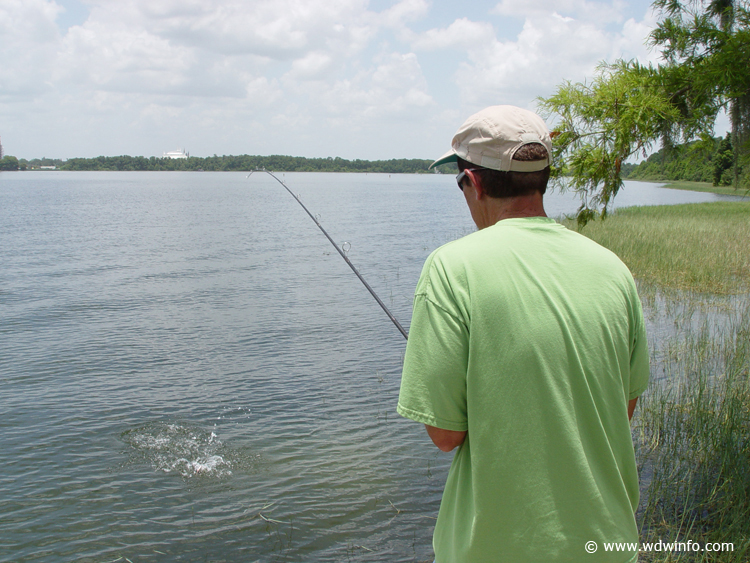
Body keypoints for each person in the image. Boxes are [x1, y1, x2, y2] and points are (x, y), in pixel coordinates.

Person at [397, 105, 649, 563]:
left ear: (473, 183)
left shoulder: (451, 269)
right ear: (543, 177)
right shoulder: (614, 270)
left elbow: (445, 434)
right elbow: (623, 406)